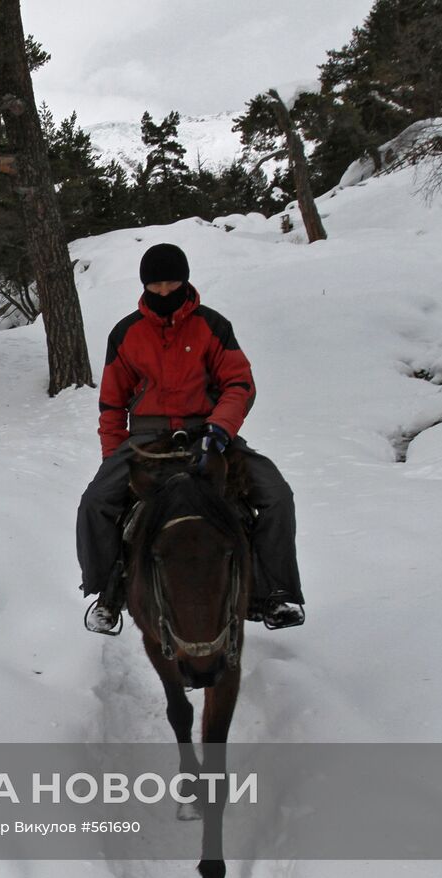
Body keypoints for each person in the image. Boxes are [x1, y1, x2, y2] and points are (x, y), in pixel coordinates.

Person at [77, 242, 305, 634]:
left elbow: (239, 382)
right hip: (147, 437)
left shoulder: (213, 326)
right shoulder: (126, 333)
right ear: (144, 285)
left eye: (171, 282)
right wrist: (114, 459)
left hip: (209, 433)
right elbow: (112, 404)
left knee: (276, 495)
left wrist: (220, 428)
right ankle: (108, 594)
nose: (164, 291)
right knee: (96, 501)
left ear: (185, 280)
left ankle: (275, 593)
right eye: (155, 284)